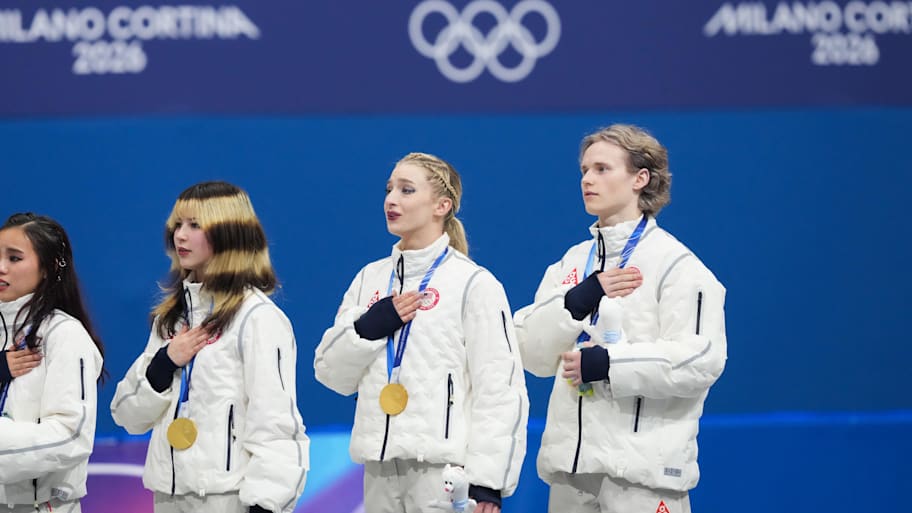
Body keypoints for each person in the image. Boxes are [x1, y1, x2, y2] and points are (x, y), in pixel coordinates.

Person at [514, 125, 727, 513]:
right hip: (570, 473)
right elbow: (530, 354)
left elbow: (701, 360)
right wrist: (577, 301)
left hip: (642, 479)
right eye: (583, 170)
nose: (587, 180)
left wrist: (610, 364)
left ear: (640, 179)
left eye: (601, 169)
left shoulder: (677, 266)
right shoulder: (570, 264)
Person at [314, 152, 528, 513]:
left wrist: (488, 482)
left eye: (407, 190)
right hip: (379, 470)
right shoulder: (370, 279)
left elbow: (501, 388)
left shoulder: (473, 283)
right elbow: (330, 373)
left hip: (444, 475)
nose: (391, 199)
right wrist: (368, 328)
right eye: (389, 189)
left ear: (441, 205)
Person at [111, 181, 308, 513]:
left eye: (195, 225)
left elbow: (276, 426)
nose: (180, 236)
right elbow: (127, 415)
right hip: (167, 498)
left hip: (228, 500)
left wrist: (265, 504)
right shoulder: (171, 319)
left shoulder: (258, 318)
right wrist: (165, 363)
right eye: (178, 224)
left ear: (228, 233)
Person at [0, 212, 105, 513]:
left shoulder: (65, 335)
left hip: (39, 505)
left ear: (46, 268)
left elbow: (70, 436)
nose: (0, 267)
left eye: (14, 258)